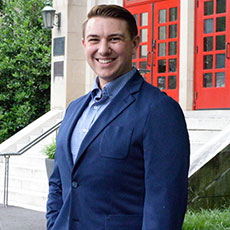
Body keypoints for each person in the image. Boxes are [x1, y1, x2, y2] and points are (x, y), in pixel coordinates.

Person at [46, 4, 190, 230]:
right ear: (84, 45)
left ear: (134, 44)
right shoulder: (74, 109)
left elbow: (165, 202)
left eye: (114, 39)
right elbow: (59, 181)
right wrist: (54, 223)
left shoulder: (159, 110)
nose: (103, 50)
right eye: (94, 40)